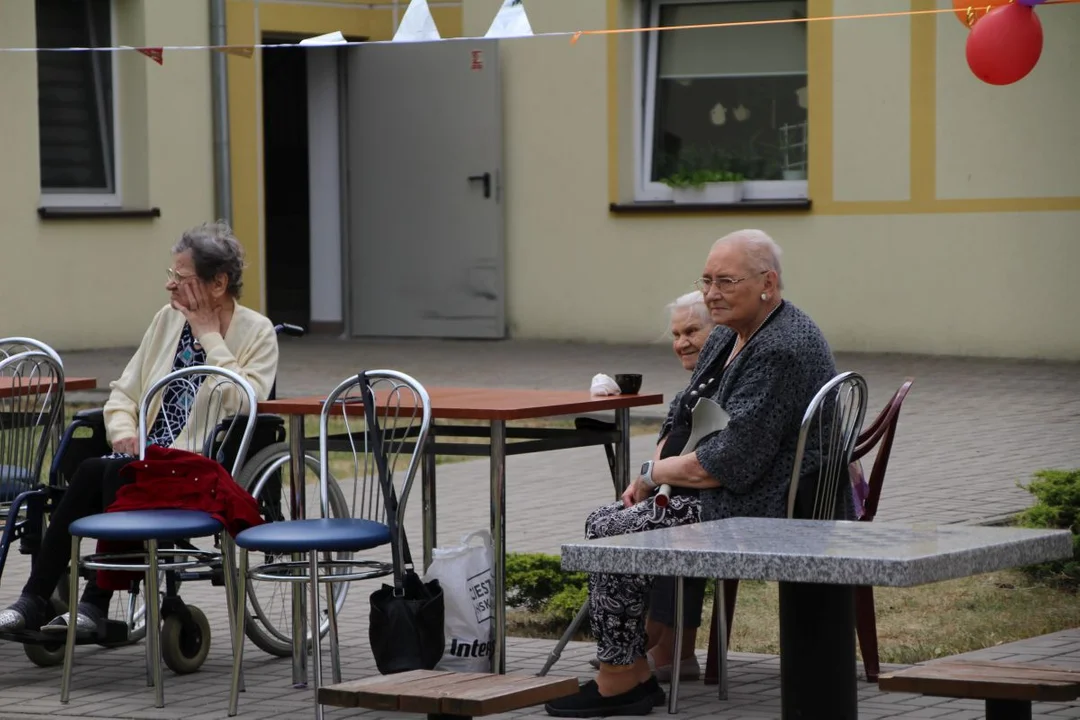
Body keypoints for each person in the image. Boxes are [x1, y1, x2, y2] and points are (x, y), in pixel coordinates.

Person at [546, 229, 838, 717]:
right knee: (611, 521)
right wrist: (652, 478)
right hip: (735, 492)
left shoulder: (781, 349)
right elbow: (683, 413)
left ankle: (623, 677)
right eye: (706, 280)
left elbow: (728, 463)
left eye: (726, 281)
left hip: (769, 506)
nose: (711, 294)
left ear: (768, 282)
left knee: (611, 529)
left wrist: (652, 472)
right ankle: (631, 670)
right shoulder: (728, 335)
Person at [0, 221, 279, 635]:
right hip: (145, 460)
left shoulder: (256, 332)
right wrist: (122, 432)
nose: (170, 287)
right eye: (171, 276)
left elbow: (246, 402)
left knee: (108, 471)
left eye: (180, 278)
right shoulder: (166, 321)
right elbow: (123, 393)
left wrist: (208, 337)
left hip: (201, 469)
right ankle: (40, 599)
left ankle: (89, 602)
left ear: (217, 283)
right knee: (100, 467)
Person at [588, 291, 724, 680]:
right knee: (635, 517)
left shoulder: (728, 377)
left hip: (725, 501)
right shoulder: (701, 382)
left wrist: (653, 477)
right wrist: (647, 479)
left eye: (692, 331)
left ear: (719, 331)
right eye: (676, 334)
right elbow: (673, 443)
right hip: (690, 492)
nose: (681, 342)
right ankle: (649, 646)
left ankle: (647, 648)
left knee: (659, 525)